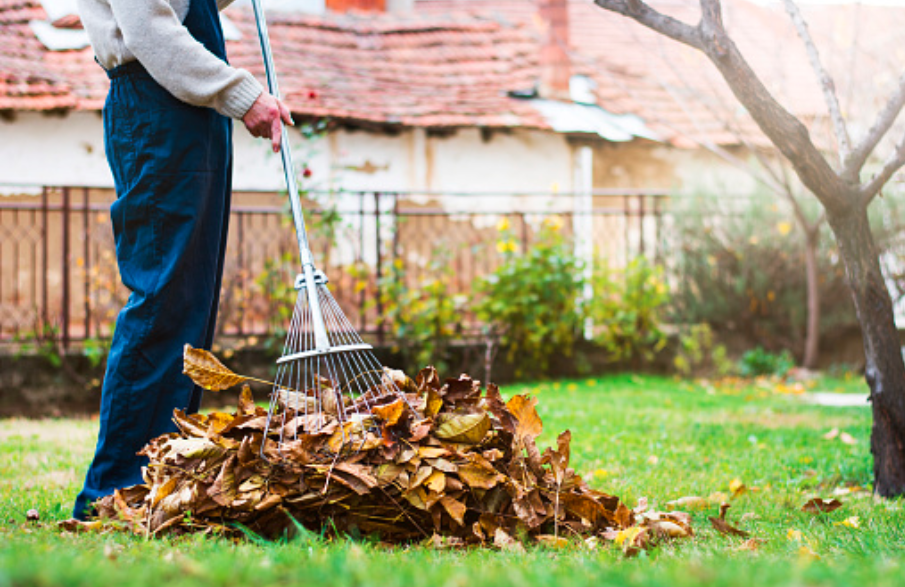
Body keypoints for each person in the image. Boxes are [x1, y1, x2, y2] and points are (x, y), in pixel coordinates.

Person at [72, 0, 291, 519]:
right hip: (156, 104)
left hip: (185, 113)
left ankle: (161, 475)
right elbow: (151, 32)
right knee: (163, 298)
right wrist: (243, 95)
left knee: (189, 302)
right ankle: (115, 488)